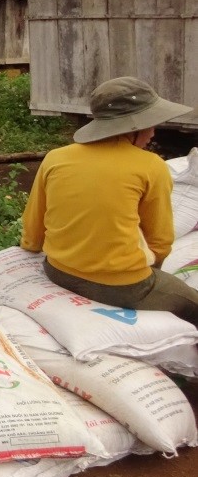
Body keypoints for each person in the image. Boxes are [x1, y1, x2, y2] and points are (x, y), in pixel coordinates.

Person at [20, 75, 198, 326]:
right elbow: (160, 241)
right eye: (150, 124)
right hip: (122, 286)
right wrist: (149, 275)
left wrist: (33, 247)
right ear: (133, 128)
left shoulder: (55, 158)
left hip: (57, 271)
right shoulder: (151, 166)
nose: (153, 132)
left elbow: (33, 227)